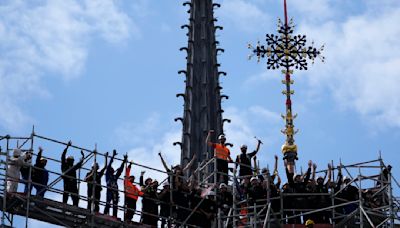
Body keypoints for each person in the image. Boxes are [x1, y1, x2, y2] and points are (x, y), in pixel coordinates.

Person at [104, 150, 127, 217]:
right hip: (110, 190)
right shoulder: (108, 175)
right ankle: (105, 214)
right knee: (108, 203)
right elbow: (109, 164)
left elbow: (120, 170)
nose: (112, 170)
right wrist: (113, 156)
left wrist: (124, 161)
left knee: (115, 205)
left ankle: (114, 216)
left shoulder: (114, 177)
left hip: (115, 192)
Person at [61, 141, 84, 206]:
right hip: (67, 183)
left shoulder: (73, 167)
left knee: (76, 198)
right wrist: (67, 147)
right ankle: (64, 207)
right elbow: (63, 156)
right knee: (65, 196)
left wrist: (83, 156)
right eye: (70, 160)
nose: (72, 161)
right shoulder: (64, 165)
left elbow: (79, 164)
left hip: (73, 185)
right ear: (67, 160)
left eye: (72, 160)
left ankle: (75, 209)